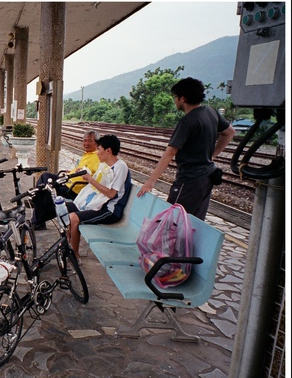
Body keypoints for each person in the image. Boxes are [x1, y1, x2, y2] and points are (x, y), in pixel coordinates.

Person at [137, 77, 235, 220]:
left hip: (189, 180)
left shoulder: (188, 121)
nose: (174, 100)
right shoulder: (210, 111)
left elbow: (170, 153)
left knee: (172, 221)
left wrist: (151, 181)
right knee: (193, 222)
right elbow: (229, 132)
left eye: (175, 97)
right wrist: (212, 155)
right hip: (207, 177)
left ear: (182, 98)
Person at [66, 134, 131, 259]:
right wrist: (86, 173)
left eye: (99, 149)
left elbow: (112, 194)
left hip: (110, 210)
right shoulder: (106, 164)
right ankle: (68, 246)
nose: (97, 153)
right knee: (62, 208)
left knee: (73, 218)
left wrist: (90, 179)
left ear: (108, 151)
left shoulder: (120, 167)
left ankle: (74, 256)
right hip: (98, 203)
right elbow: (100, 181)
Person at [31, 130, 100, 230]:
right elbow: (79, 169)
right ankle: (38, 214)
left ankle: (37, 213)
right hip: (68, 181)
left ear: (97, 143)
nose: (86, 143)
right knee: (45, 179)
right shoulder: (87, 154)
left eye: (89, 141)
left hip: (74, 187)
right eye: (84, 141)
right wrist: (70, 173)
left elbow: (91, 174)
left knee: (44, 189)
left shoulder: (97, 157)